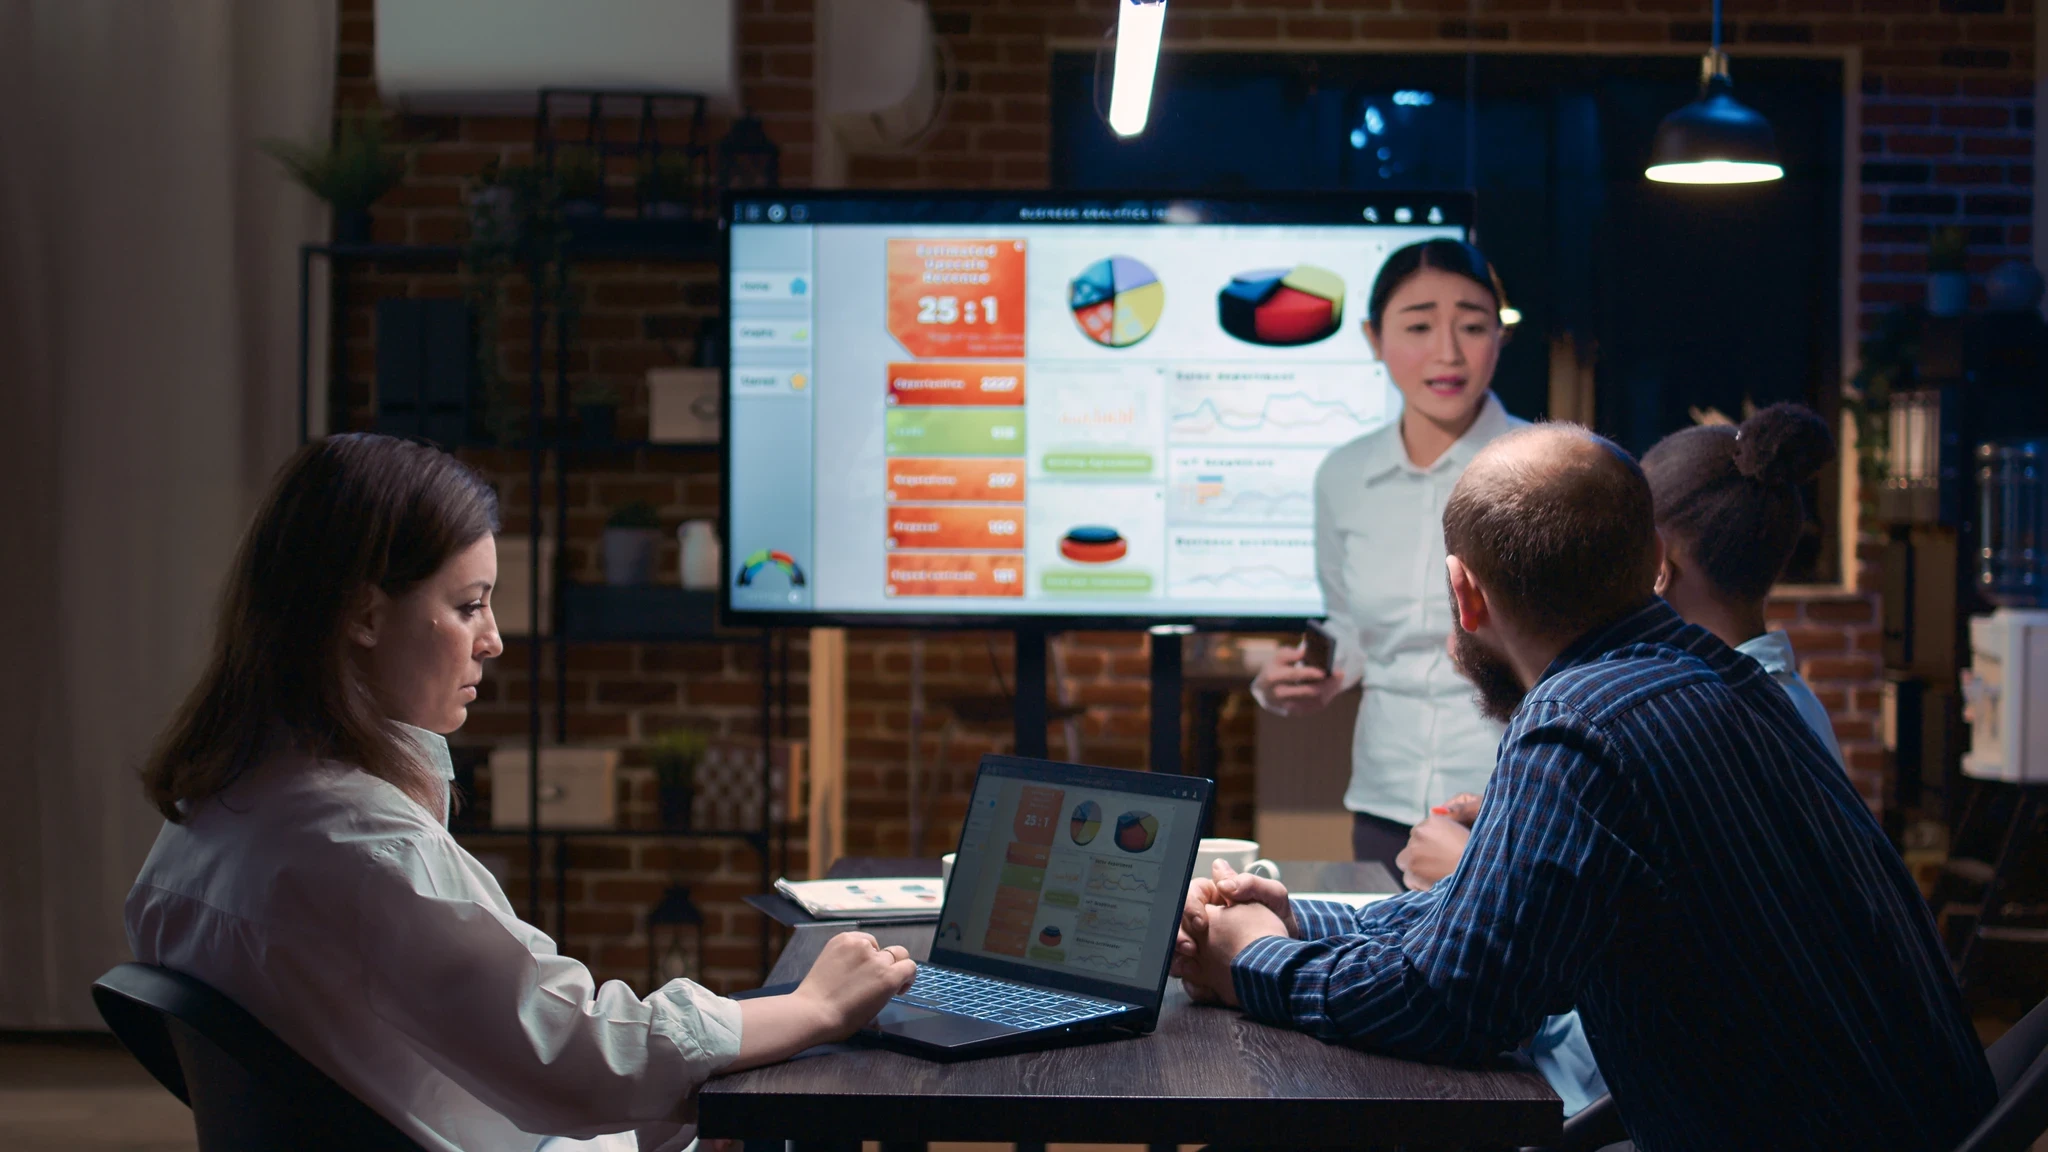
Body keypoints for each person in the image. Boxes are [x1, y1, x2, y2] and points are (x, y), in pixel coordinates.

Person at [1174, 425, 1994, 1152]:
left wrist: (1254, 961)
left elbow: (1456, 1002)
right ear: (1648, 562)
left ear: (1464, 592)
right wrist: (1298, 918)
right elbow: (1486, 916)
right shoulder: (1721, 676)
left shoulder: (1580, 722)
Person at [128, 434, 916, 1152]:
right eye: (468, 605)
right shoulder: (363, 850)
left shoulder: (205, 819)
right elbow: (583, 1058)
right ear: (364, 614)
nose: (494, 638)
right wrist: (811, 1008)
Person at [1391, 403, 1850, 1115]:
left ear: (1654, 564)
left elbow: (1577, 1006)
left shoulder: (1672, 717)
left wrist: (1477, 883)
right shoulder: (1772, 702)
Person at [1251, 239, 1528, 873]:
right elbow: (1350, 627)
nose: (1448, 352)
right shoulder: (1343, 475)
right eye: (1420, 325)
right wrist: (1293, 681)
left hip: (1513, 793)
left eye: (1473, 325)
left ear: (1499, 336)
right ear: (1374, 338)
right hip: (1384, 802)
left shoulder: (1543, 467)